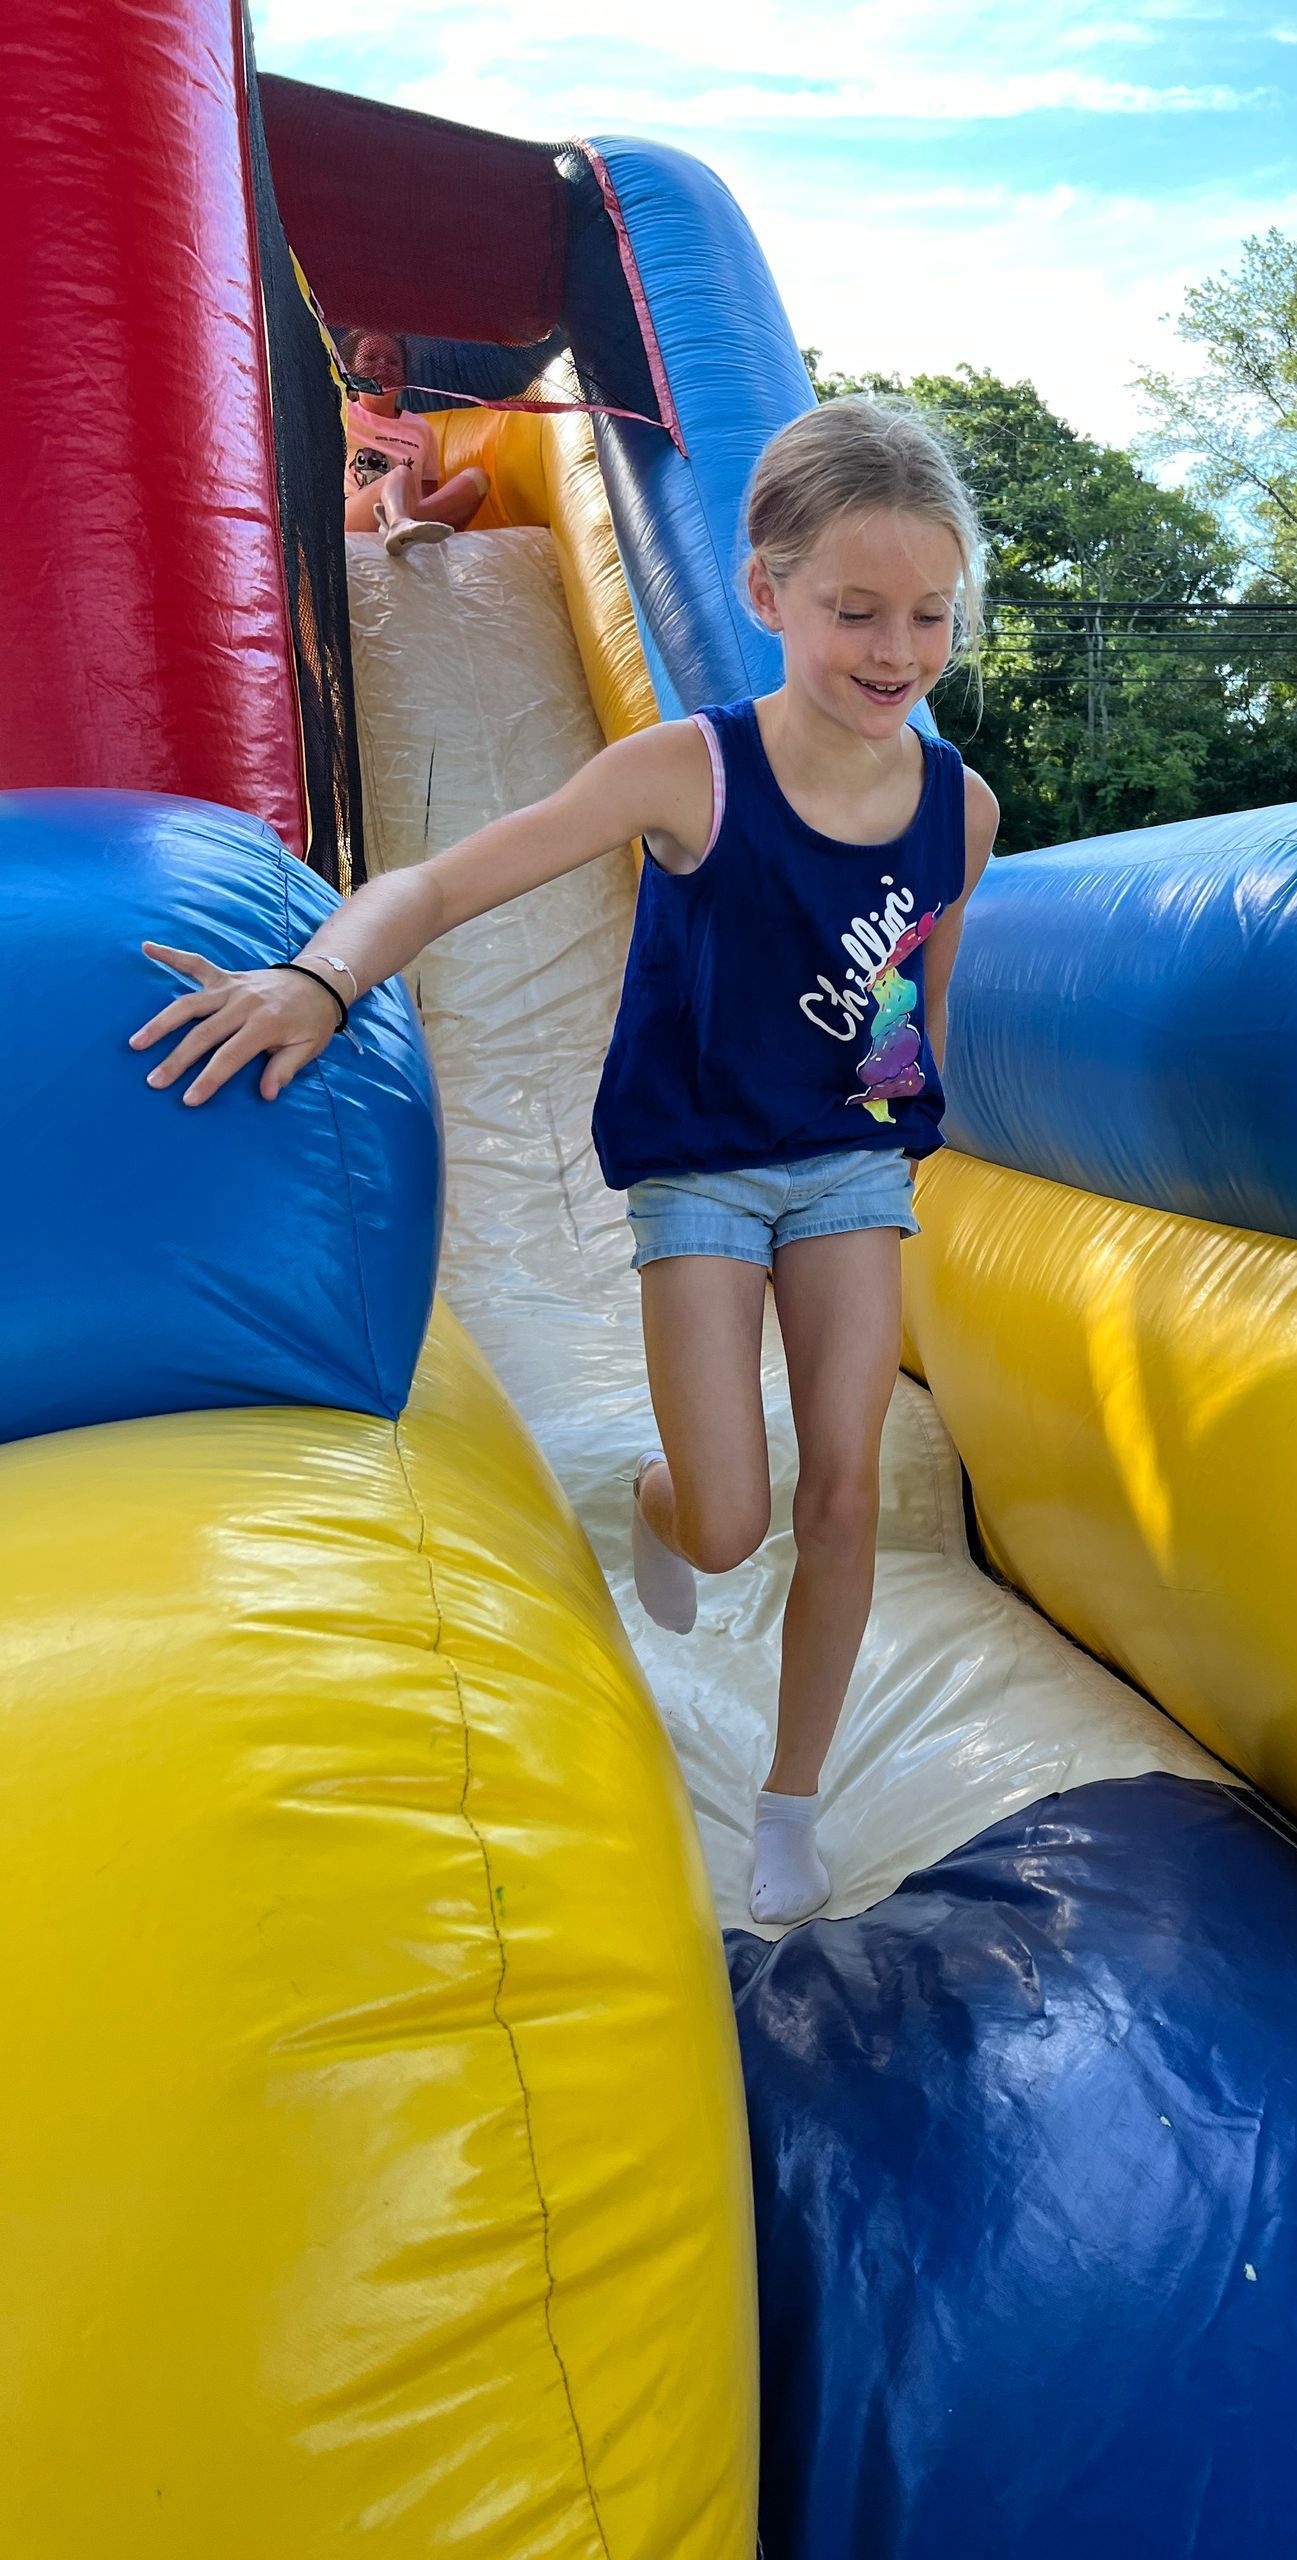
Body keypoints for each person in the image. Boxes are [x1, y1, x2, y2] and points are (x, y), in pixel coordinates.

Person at [129, 398, 999, 1930]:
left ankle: (791, 1803)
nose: (895, 649)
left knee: (851, 1493)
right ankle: (673, 1507)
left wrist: (934, 1120)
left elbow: (919, 990)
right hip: (704, 1173)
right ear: (767, 596)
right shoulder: (690, 773)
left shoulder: (961, 809)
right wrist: (320, 983)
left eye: (928, 615)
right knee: (736, 1519)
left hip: (856, 1171)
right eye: (854, 610)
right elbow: (444, 879)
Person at [337, 326, 490, 556]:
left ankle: (409, 526)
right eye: (370, 357)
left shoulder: (420, 428)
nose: (382, 366)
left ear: (404, 377)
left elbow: (428, 495)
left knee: (477, 478)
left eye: (393, 362)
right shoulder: (341, 413)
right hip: (354, 514)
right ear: (350, 368)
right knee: (401, 473)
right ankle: (398, 523)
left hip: (411, 509)